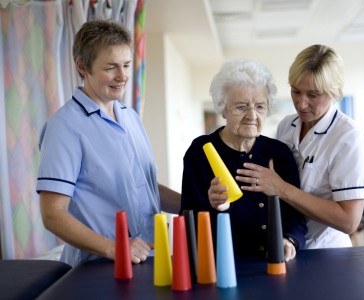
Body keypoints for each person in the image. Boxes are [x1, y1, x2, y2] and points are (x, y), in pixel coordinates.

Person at [36, 19, 180, 267]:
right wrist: (115, 248)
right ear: (83, 67)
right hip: (98, 267)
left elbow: (144, 186)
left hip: (150, 258)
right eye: (111, 67)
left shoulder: (130, 116)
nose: (122, 76)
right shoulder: (65, 127)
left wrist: (198, 204)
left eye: (126, 64)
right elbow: (53, 214)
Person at [232, 45, 364, 248]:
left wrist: (281, 188)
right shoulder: (287, 125)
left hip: (327, 251)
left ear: (334, 92)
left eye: (313, 95)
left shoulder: (348, 136)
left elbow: (349, 221)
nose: (301, 103)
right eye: (296, 91)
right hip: (289, 245)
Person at [180, 58, 307, 261]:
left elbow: (296, 217)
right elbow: (188, 221)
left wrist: (290, 239)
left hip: (273, 263)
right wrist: (213, 206)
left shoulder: (279, 153)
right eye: (241, 107)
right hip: (220, 265)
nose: (251, 115)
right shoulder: (200, 152)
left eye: (259, 107)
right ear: (223, 108)